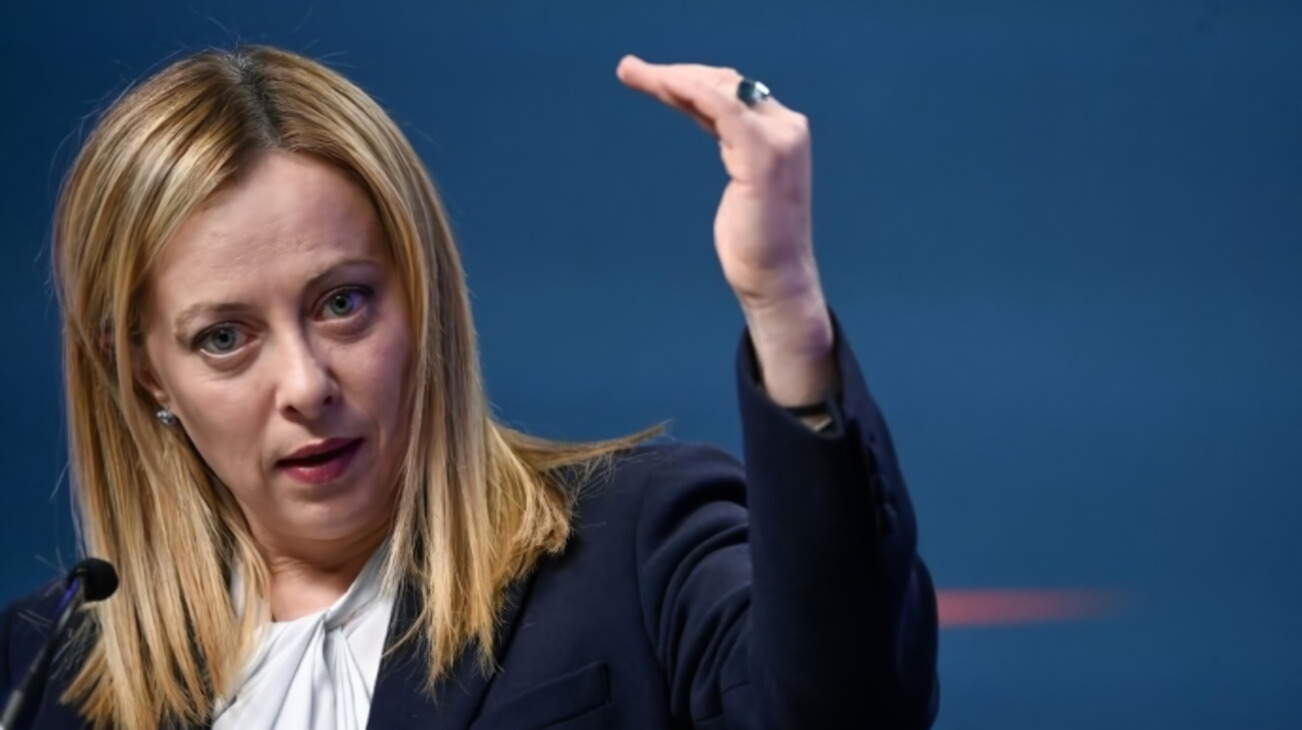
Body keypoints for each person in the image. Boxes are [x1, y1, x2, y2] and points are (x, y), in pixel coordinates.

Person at [0, 45, 939, 729]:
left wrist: (783, 308)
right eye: (224, 338)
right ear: (144, 372)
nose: (305, 384)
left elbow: (844, 709)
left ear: (422, 298)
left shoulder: (638, 543)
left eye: (342, 304)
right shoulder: (36, 672)